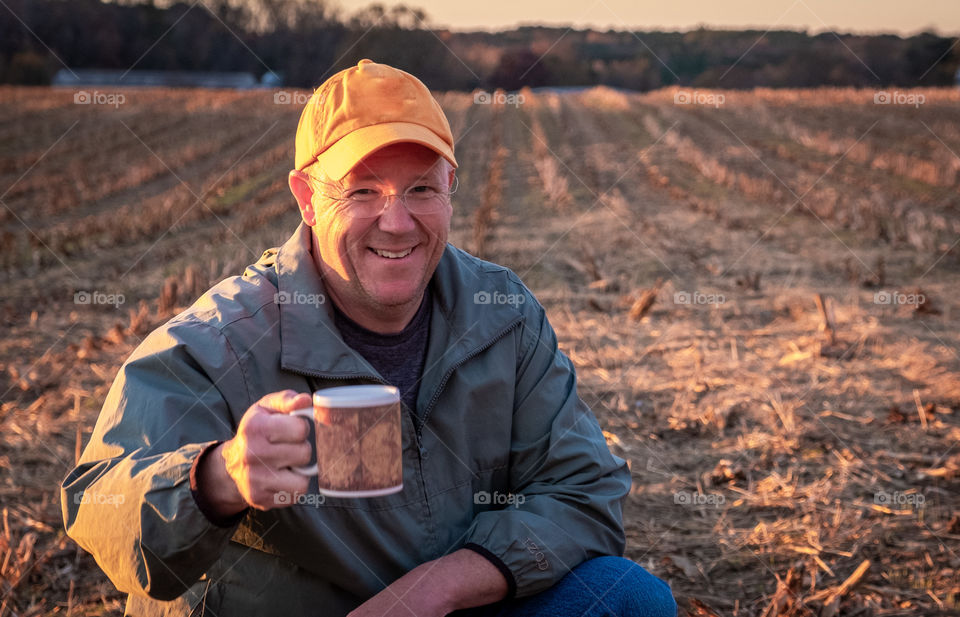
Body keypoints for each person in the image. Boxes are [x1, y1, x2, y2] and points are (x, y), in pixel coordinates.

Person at [61, 59, 676, 617]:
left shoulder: (501, 316)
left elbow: (585, 491)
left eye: (421, 189)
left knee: (629, 599)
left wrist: (439, 587)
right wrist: (219, 478)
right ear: (307, 197)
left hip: (453, 606)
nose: (398, 221)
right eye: (363, 191)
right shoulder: (222, 341)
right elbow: (98, 505)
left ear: (451, 187)